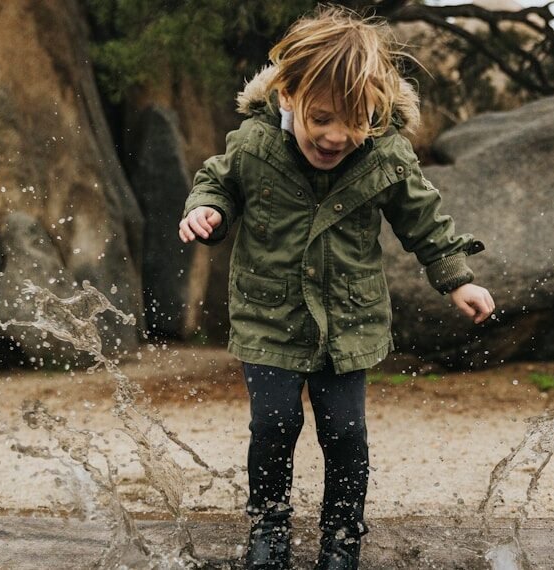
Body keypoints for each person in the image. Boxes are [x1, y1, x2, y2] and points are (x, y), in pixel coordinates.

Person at [178, 6, 494, 569]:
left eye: (357, 120)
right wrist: (208, 212)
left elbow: (423, 220)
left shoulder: (386, 155)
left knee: (345, 433)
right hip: (269, 316)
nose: (337, 136)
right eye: (321, 118)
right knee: (274, 424)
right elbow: (217, 183)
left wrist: (456, 279)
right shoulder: (254, 145)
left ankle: (342, 536)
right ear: (288, 96)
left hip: (349, 322)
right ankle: (268, 528)